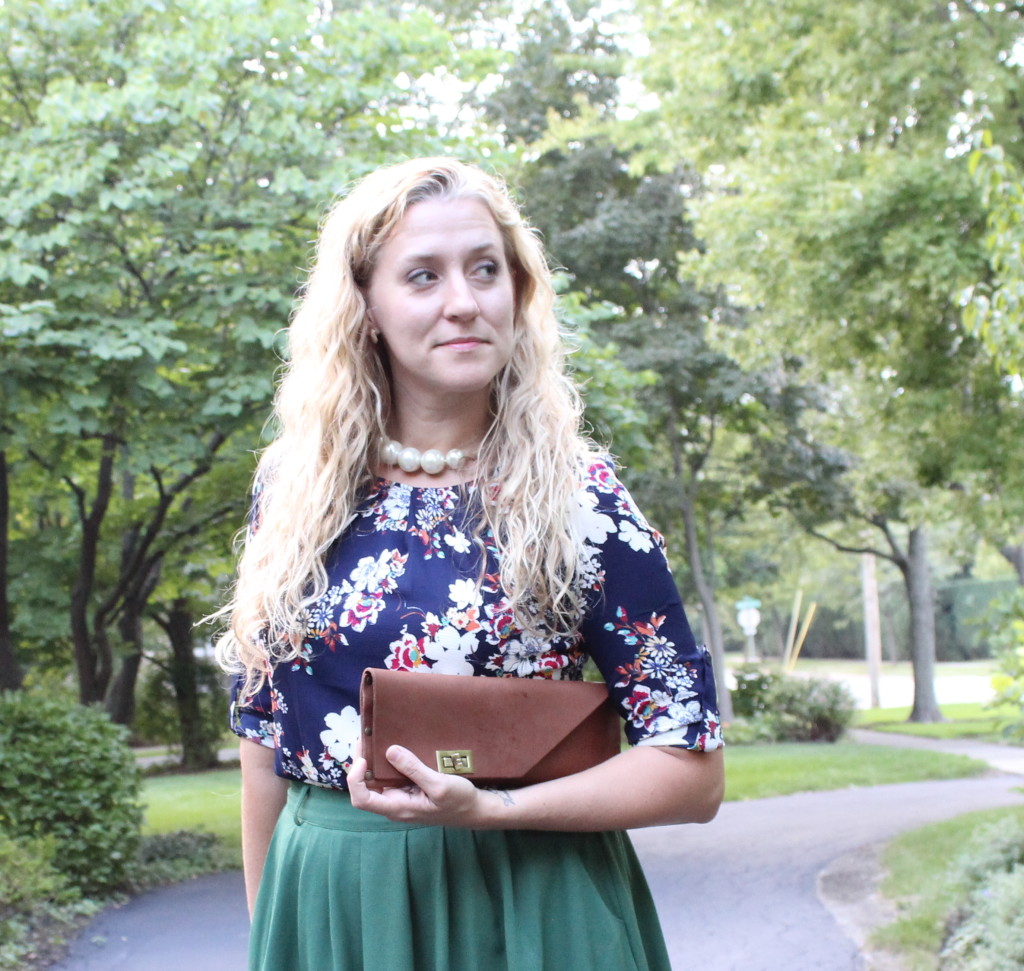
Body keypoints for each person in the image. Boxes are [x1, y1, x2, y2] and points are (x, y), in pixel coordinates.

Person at [217, 156, 725, 971]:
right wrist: (269, 937)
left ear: (518, 291)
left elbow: (691, 769)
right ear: (367, 307)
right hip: (336, 907)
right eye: (423, 275)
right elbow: (264, 741)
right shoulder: (294, 489)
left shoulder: (579, 497)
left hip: (532, 906)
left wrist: (495, 808)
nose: (464, 301)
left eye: (485, 269)